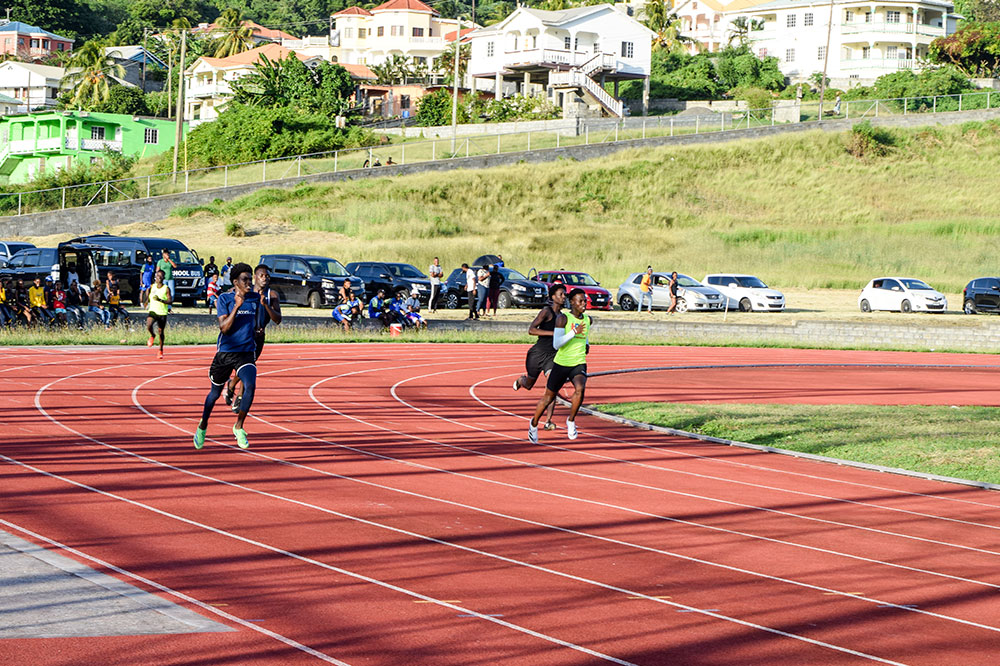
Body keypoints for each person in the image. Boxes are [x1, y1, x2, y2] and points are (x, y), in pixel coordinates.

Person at [193, 262, 259, 451]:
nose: (249, 282)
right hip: (225, 353)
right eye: (245, 279)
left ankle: (238, 426)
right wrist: (237, 307)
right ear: (235, 282)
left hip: (245, 353)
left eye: (250, 278)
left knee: (250, 385)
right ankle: (203, 425)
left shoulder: (255, 298)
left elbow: (257, 321)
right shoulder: (224, 299)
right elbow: (224, 328)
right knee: (214, 395)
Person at [528, 288, 592, 444]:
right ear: (572, 302)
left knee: (580, 388)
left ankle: (571, 421)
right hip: (561, 363)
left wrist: (586, 344)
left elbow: (585, 336)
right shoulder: (563, 319)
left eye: (585, 300)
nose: (584, 303)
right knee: (548, 398)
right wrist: (573, 333)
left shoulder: (588, 319)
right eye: (580, 301)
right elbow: (557, 344)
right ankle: (534, 424)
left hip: (578, 361)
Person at [513, 283, 567, 431]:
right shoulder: (546, 312)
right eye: (561, 294)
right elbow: (531, 330)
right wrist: (553, 334)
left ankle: (548, 421)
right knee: (529, 384)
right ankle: (520, 380)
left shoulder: (563, 317)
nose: (564, 297)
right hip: (537, 354)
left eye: (564, 294)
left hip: (552, 356)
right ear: (552, 297)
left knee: (552, 387)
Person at [229, 264, 282, 413]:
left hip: (259, 337)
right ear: (255, 278)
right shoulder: (246, 291)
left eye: (267, 276)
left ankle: (233, 386)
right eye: (261, 276)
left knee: (249, 367)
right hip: (244, 335)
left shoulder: (272, 295)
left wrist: (266, 305)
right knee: (248, 367)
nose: (265, 278)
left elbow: (278, 319)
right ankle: (238, 394)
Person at [146, 269, 171, 358]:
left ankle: (160, 350)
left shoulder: (166, 288)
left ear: (163, 278)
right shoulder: (152, 286)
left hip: (162, 312)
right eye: (157, 276)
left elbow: (170, 301)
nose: (158, 278)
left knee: (161, 331)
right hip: (153, 310)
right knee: (149, 324)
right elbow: (148, 294)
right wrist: (145, 301)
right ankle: (152, 335)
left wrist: (160, 300)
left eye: (160, 276)